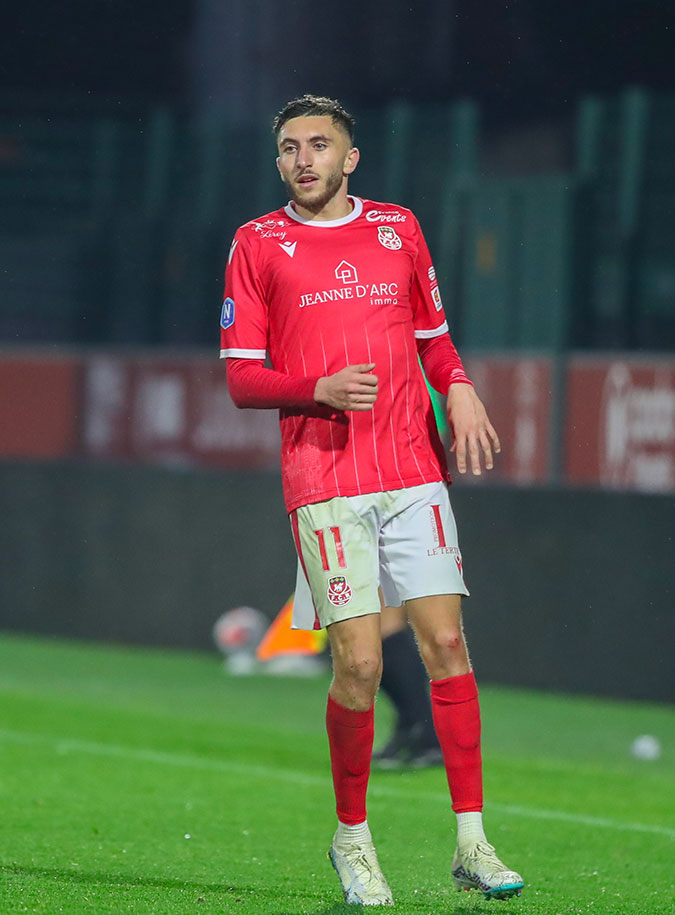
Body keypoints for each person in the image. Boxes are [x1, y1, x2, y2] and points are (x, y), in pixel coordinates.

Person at [220, 94, 523, 905]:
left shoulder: (398, 228)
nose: (304, 159)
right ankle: (352, 838)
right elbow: (242, 377)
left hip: (413, 468)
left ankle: (473, 842)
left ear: (350, 157)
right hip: (324, 481)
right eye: (289, 147)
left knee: (448, 645)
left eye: (320, 145)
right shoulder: (257, 244)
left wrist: (457, 388)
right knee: (357, 662)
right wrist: (315, 387)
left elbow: (433, 334)